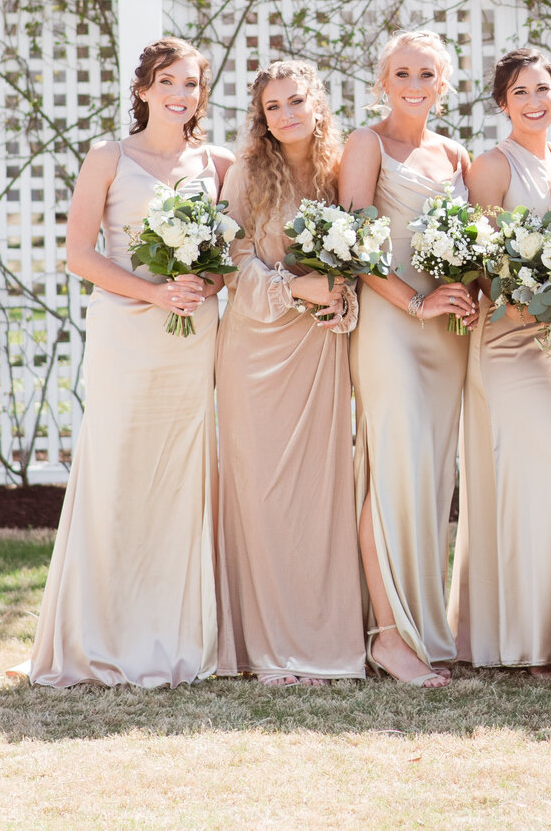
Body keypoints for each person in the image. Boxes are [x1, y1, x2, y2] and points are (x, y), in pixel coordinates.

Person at [29, 37, 231, 687]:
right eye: (168, 82)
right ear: (143, 89)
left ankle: (177, 633)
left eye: (192, 84)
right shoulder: (108, 157)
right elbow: (79, 255)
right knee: (118, 469)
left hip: (190, 335)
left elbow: (231, 258)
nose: (180, 95)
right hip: (125, 330)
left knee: (179, 475)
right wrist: (152, 290)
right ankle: (102, 634)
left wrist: (205, 286)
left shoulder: (218, 163)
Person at [216, 59, 365, 685]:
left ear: (318, 104)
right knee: (264, 494)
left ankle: (323, 640)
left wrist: (339, 296)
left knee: (319, 495)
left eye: (296, 102)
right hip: (255, 348)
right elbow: (227, 257)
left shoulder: (342, 171)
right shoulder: (249, 171)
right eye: (273, 107)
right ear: (262, 116)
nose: (286, 115)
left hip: (319, 351)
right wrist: (295, 287)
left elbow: (360, 255)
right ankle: (272, 649)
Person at [338, 29, 476, 688]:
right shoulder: (366, 145)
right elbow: (355, 244)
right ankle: (389, 637)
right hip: (392, 323)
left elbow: (478, 247)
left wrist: (469, 297)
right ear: (382, 82)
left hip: (446, 334)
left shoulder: (457, 155)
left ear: (443, 85)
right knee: (393, 469)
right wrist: (415, 305)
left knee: (430, 476)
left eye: (427, 73)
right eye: (402, 72)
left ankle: (423, 625)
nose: (414, 83)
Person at [449, 47, 551, 677]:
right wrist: (524, 293)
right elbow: (478, 263)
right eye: (521, 92)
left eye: (544, 89)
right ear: (503, 103)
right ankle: (530, 642)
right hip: (507, 342)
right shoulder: (492, 166)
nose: (535, 101)